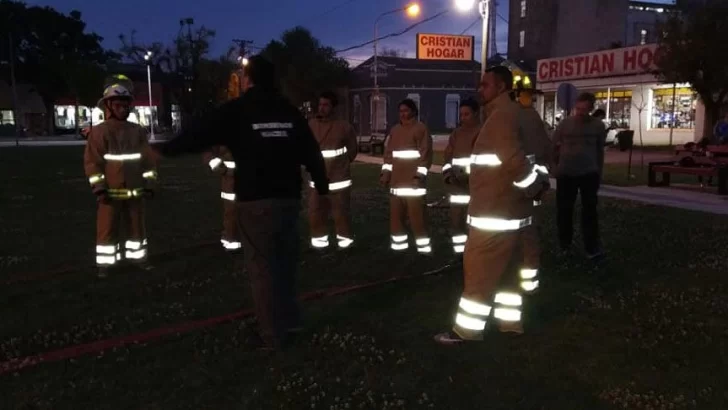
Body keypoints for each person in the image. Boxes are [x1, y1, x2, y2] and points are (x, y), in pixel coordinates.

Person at [154, 55, 329, 350]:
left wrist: (166, 150)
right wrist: (322, 189)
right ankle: (290, 320)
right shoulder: (290, 112)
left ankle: (272, 335)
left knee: (262, 268)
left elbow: (201, 134)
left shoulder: (239, 110)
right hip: (287, 200)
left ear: (248, 79)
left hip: (255, 201)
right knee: (285, 265)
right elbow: (311, 152)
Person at [435, 66, 547, 344]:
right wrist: (535, 190)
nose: (479, 89)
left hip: (492, 216)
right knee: (508, 276)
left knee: (478, 275)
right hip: (514, 215)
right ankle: (510, 324)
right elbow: (539, 156)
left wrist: (532, 187)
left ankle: (467, 330)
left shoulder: (500, 118)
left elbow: (513, 162)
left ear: (501, 87)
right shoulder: (522, 116)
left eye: (484, 85)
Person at [84, 76, 158, 278]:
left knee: (137, 229)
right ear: (108, 106)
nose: (123, 109)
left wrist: (150, 184)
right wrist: (99, 188)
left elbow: (148, 162)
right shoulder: (100, 133)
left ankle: (139, 259)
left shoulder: (137, 131)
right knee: (107, 230)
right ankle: (105, 266)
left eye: (125, 105)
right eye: (118, 105)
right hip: (109, 194)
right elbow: (93, 163)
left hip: (135, 192)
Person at [552, 92, 607, 260]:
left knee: (589, 212)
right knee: (564, 211)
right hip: (566, 173)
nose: (581, 112)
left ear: (591, 108)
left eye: (584, 109)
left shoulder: (598, 126)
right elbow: (553, 146)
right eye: (578, 108)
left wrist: (599, 171)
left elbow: (599, 150)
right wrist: (555, 167)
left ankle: (591, 248)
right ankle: (564, 246)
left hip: (589, 173)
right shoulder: (565, 125)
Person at [380, 99, 433, 254]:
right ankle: (399, 249)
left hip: (414, 185)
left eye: (406, 110)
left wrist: (419, 176)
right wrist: (385, 174)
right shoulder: (395, 131)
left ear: (413, 111)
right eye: (400, 111)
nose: (403, 114)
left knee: (418, 220)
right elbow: (389, 156)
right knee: (396, 221)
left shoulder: (421, 129)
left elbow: (426, 156)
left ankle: (423, 250)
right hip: (396, 185)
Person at [307, 91, 358, 250]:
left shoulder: (343, 127)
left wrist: (341, 165)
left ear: (333, 107)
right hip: (316, 179)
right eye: (320, 104)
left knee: (341, 213)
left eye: (326, 105)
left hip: (338, 179)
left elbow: (352, 149)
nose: (322, 108)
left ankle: (345, 244)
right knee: (315, 212)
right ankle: (319, 244)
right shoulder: (311, 125)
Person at [516, 87, 552, 294]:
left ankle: (527, 278)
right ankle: (529, 279)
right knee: (529, 232)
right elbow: (545, 150)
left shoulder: (519, 117)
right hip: (531, 184)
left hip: (525, 185)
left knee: (527, 232)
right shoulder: (533, 118)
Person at [442, 98, 480, 254]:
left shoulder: (482, 132)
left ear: (476, 114)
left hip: (476, 187)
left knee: (473, 223)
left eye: (467, 114)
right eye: (461, 114)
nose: (463, 118)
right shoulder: (456, 134)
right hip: (457, 188)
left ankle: (473, 253)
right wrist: (448, 175)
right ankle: (459, 253)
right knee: (457, 222)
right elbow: (447, 157)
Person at [202, 145, 241, 251]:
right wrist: (224, 170)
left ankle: (233, 239)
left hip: (238, 182)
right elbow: (210, 157)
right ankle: (231, 240)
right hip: (231, 183)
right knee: (232, 213)